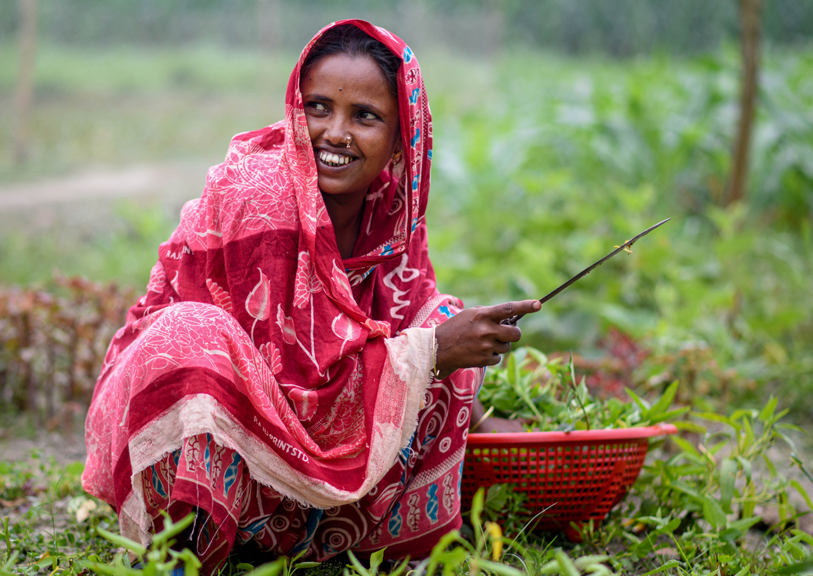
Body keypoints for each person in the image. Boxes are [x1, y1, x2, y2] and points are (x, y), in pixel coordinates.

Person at [82, 20, 541, 572]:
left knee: (437, 315)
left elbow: (406, 327)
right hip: (206, 430)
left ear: (402, 136)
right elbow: (291, 384)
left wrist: (480, 412)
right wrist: (434, 353)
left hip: (305, 460)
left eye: (365, 117)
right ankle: (184, 552)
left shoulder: (391, 213)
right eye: (318, 107)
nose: (334, 133)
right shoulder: (262, 195)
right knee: (197, 340)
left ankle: (374, 543)